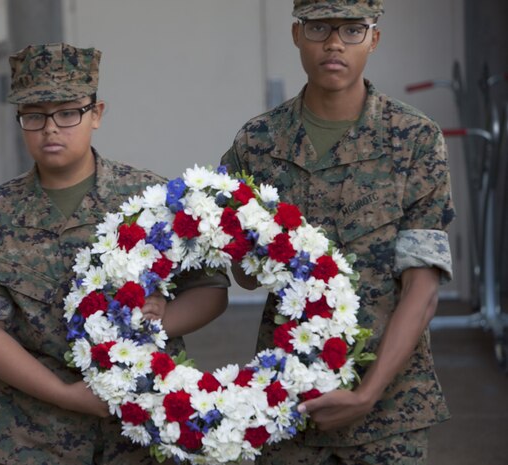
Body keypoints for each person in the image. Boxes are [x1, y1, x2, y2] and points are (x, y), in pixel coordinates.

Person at [0, 43, 229, 465]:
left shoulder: (151, 200)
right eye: (34, 115)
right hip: (31, 436)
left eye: (67, 112)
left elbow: (210, 290)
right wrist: (64, 394)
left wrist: (156, 321)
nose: (50, 129)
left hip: (140, 431)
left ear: (96, 114)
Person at [220, 1, 454, 463]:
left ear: (374, 39)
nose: (333, 44)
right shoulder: (258, 141)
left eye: (351, 30)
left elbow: (422, 288)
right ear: (296, 35)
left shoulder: (414, 139)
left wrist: (367, 393)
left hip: (388, 409)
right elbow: (243, 275)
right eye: (319, 28)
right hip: (287, 398)